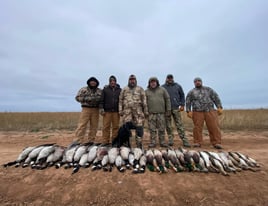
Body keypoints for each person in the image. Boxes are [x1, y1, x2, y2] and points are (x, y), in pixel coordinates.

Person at [185, 77, 223, 149]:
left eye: (199, 81)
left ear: (201, 82)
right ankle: (197, 142)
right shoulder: (191, 92)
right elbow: (188, 101)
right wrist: (188, 111)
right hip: (197, 112)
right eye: (196, 81)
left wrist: (219, 107)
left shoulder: (208, 89)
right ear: (194, 83)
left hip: (210, 110)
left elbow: (216, 97)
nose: (197, 82)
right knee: (197, 128)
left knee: (214, 127)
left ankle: (216, 142)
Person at [118, 74, 148, 149]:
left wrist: (146, 111)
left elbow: (144, 101)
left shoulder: (140, 89)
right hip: (127, 113)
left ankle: (139, 145)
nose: (132, 81)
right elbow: (120, 100)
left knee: (139, 128)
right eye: (131, 79)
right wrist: (120, 110)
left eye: (133, 79)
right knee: (126, 129)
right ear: (129, 80)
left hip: (138, 113)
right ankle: (127, 145)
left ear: (135, 80)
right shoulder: (124, 89)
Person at [162, 74, 191, 147]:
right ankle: (171, 139)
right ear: (166, 79)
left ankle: (184, 140)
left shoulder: (178, 86)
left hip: (176, 108)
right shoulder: (163, 87)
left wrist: (182, 104)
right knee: (168, 125)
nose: (170, 79)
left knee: (179, 124)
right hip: (166, 109)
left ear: (173, 78)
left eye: (171, 78)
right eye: (168, 78)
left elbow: (182, 95)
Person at [74, 77, 102, 143]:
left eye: (94, 82)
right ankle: (78, 141)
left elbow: (102, 100)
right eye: (91, 81)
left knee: (94, 126)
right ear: (89, 82)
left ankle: (91, 141)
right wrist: (87, 99)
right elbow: (77, 98)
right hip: (86, 109)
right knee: (82, 125)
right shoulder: (83, 89)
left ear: (96, 83)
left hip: (95, 109)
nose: (93, 82)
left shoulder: (99, 91)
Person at [145, 77, 171, 148]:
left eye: (154, 82)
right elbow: (144, 103)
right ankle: (153, 142)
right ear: (149, 83)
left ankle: (162, 142)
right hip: (151, 114)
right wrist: (146, 112)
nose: (153, 83)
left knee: (162, 128)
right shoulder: (146, 91)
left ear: (157, 82)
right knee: (152, 129)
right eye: (151, 82)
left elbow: (167, 99)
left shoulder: (162, 90)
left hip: (161, 113)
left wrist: (168, 110)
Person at [99, 75, 121, 144]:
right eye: (111, 81)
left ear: (116, 82)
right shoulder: (105, 90)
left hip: (116, 112)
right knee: (106, 127)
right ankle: (105, 142)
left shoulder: (120, 90)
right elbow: (101, 100)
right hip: (107, 112)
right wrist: (101, 108)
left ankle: (114, 141)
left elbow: (122, 100)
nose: (112, 82)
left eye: (114, 81)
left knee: (116, 127)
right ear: (109, 82)